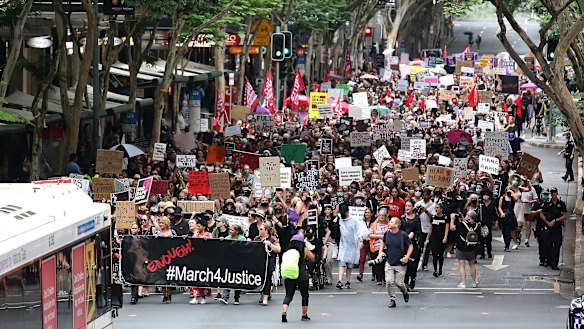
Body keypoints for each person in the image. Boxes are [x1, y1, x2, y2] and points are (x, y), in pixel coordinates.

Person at [376, 217, 412, 308]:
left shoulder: (403, 235)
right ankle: (392, 299)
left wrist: (407, 256)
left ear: (396, 225)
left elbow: (411, 246)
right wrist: (380, 252)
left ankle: (404, 291)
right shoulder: (387, 234)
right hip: (389, 262)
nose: (389, 223)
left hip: (400, 263)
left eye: (391, 222)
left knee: (399, 283)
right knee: (389, 281)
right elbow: (383, 243)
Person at [281, 234, 315, 323]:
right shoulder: (304, 250)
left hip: (290, 275)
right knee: (304, 295)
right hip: (302, 275)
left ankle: (284, 312)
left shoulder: (288, 252)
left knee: (288, 295)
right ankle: (304, 315)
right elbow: (312, 258)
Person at [336, 205, 369, 289]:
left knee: (349, 264)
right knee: (342, 261)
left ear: (347, 212)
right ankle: (340, 281)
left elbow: (359, 231)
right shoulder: (339, 218)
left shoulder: (354, 220)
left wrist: (361, 241)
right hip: (343, 243)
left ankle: (348, 280)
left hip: (352, 244)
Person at [538, 187, 567, 270]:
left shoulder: (561, 204)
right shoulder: (547, 204)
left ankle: (555, 263)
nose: (553, 194)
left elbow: (565, 216)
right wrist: (547, 222)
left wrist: (555, 220)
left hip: (557, 227)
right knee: (547, 244)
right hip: (548, 227)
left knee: (557, 245)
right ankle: (548, 260)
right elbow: (541, 213)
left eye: (554, 192)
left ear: (557, 193)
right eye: (552, 192)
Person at [451, 210, 480, 288]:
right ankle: (474, 282)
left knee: (462, 266)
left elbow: (452, 228)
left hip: (461, 247)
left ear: (468, 216)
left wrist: (452, 219)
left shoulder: (461, 225)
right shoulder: (477, 226)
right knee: (472, 265)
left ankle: (463, 283)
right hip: (472, 248)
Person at [254, 222, 281, 305]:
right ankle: (262, 295)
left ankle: (265, 297)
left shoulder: (273, 239)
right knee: (261, 279)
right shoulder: (256, 239)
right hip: (259, 262)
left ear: (267, 230)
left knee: (267, 278)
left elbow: (278, 250)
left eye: (261, 229)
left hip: (269, 262)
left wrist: (270, 245)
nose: (259, 230)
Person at [219, 224, 246, 305]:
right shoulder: (228, 238)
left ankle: (236, 298)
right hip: (229, 261)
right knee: (227, 278)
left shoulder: (242, 238)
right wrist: (222, 240)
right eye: (230, 230)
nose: (230, 231)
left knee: (237, 279)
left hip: (239, 262)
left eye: (232, 230)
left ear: (237, 231)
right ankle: (225, 297)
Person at [425, 203, 448, 277]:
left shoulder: (445, 217)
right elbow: (430, 229)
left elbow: (446, 229)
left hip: (441, 238)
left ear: (441, 209)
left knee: (440, 255)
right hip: (434, 238)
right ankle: (435, 270)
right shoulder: (433, 217)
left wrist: (445, 238)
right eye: (435, 208)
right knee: (434, 254)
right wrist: (427, 238)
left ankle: (440, 269)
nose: (436, 209)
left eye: (438, 207)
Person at [369, 210, 390, 285]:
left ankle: (385, 278)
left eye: (383, 215)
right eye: (380, 215)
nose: (381, 217)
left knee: (385, 263)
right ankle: (379, 279)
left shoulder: (388, 225)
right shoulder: (374, 225)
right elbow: (370, 235)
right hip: (376, 246)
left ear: (385, 216)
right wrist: (380, 236)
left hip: (387, 247)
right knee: (378, 263)